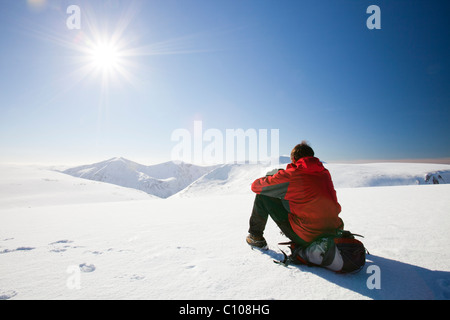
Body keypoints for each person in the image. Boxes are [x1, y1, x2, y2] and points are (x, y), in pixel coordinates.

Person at [246, 141, 343, 249]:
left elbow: (256, 186)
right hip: (335, 231)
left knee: (263, 195)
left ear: (293, 159)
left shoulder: (292, 175)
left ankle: (255, 237)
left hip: (309, 236)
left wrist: (275, 176)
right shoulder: (324, 173)